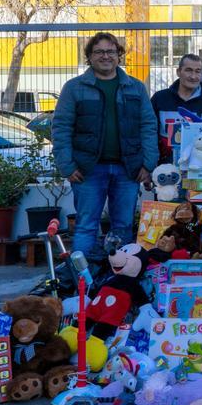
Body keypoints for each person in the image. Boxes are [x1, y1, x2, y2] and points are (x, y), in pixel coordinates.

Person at [51, 32, 157, 261]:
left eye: (111, 51)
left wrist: (148, 163)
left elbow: (148, 126)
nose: (105, 56)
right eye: (99, 52)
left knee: (123, 226)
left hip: (127, 169)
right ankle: (83, 283)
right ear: (89, 56)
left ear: (119, 56)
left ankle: (119, 279)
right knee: (86, 226)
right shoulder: (74, 88)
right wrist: (67, 166)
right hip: (88, 170)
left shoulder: (135, 88)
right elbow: (61, 128)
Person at [151, 54, 202, 163]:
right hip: (166, 166)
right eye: (188, 70)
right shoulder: (159, 98)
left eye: (198, 71)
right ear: (178, 72)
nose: (193, 76)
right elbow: (149, 134)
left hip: (201, 166)